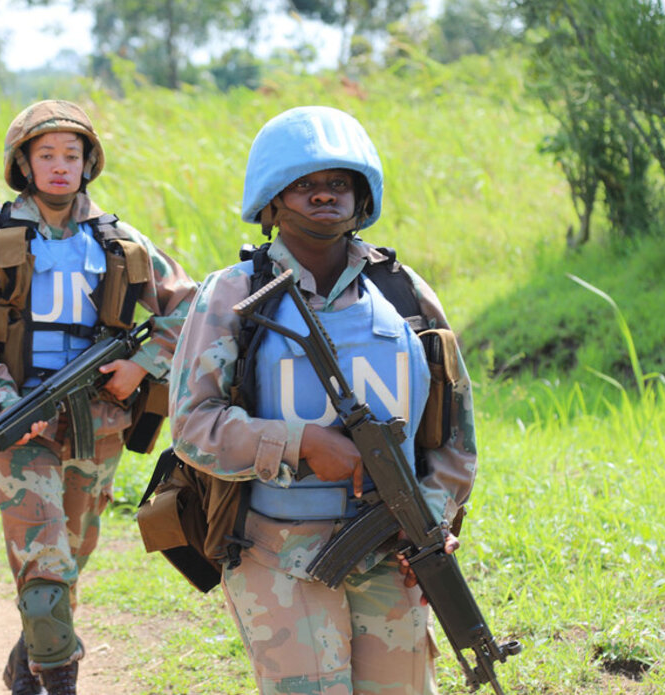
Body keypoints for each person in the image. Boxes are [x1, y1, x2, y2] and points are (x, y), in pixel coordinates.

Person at [167, 105, 479, 695]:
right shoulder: (234, 296)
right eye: (303, 184)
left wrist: (431, 517)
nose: (322, 196)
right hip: (275, 550)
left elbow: (454, 438)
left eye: (338, 182)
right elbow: (192, 426)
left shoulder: (401, 292)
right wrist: (301, 443)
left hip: (394, 549)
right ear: (271, 201)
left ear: (362, 197)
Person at [0, 99, 197, 695]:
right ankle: (57, 681)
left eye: (72, 155)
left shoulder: (120, 240)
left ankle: (28, 655)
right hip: (18, 423)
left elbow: (189, 305)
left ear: (88, 163)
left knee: (72, 553)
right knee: (44, 562)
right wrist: (6, 410)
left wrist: (140, 365)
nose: (60, 166)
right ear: (23, 164)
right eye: (46, 155)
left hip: (100, 421)